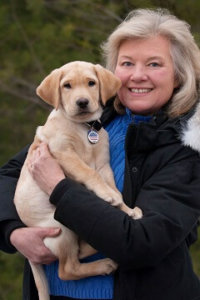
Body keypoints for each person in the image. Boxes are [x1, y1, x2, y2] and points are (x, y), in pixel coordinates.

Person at [1, 7, 200, 300]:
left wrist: (58, 187)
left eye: (154, 64)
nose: (137, 75)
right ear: (111, 73)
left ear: (179, 75)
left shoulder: (187, 148)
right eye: (127, 63)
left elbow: (141, 242)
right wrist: (13, 232)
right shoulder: (91, 119)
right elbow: (8, 176)